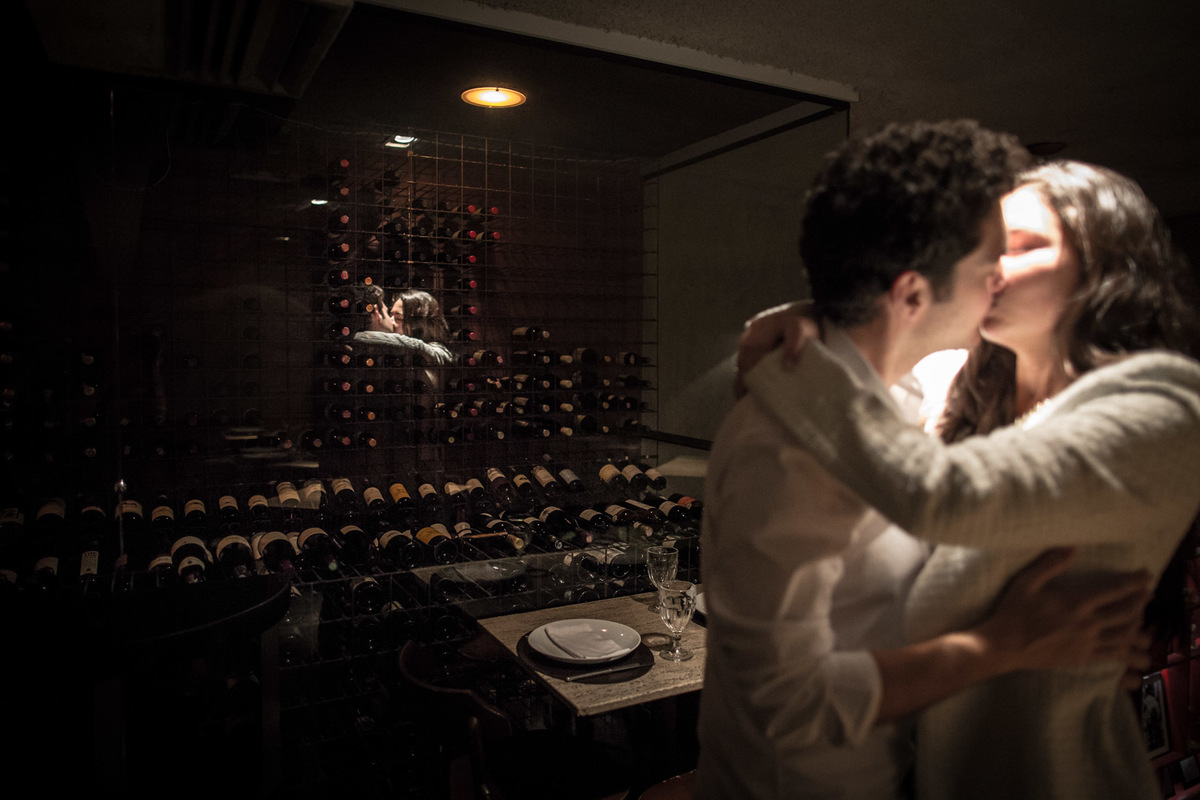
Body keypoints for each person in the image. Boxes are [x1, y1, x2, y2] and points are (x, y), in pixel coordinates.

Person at [696, 121, 1153, 800]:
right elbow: (788, 705)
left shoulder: (924, 386)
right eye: (990, 259)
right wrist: (1005, 645)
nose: (998, 277)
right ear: (912, 295)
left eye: (1020, 250)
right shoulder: (789, 449)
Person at [353, 287, 453, 365]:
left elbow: (417, 345)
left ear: (420, 324)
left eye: (398, 318)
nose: (391, 321)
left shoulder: (440, 352)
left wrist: (354, 337)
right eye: (391, 316)